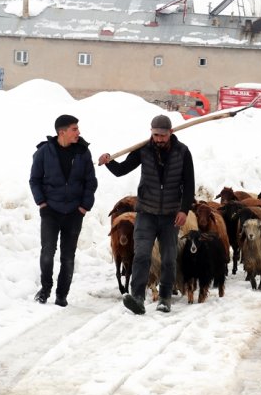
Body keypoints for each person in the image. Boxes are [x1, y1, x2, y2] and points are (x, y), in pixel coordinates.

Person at [98, 114, 195, 315]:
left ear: (171, 132)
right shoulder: (144, 150)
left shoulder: (182, 152)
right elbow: (121, 169)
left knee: (168, 258)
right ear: (151, 132)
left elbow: (189, 184)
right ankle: (138, 297)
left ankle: (165, 297)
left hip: (170, 216)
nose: (158, 139)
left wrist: (184, 210)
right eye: (155, 135)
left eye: (162, 135)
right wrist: (109, 161)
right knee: (141, 255)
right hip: (146, 213)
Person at [30, 114, 98, 307]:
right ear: (62, 132)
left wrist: (84, 207)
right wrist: (42, 202)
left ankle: (62, 295)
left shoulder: (83, 152)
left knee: (68, 257)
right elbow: (35, 179)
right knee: (47, 252)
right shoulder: (44, 152)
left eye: (77, 129)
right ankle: (45, 289)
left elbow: (90, 182)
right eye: (74, 129)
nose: (78, 132)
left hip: (74, 213)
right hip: (51, 210)